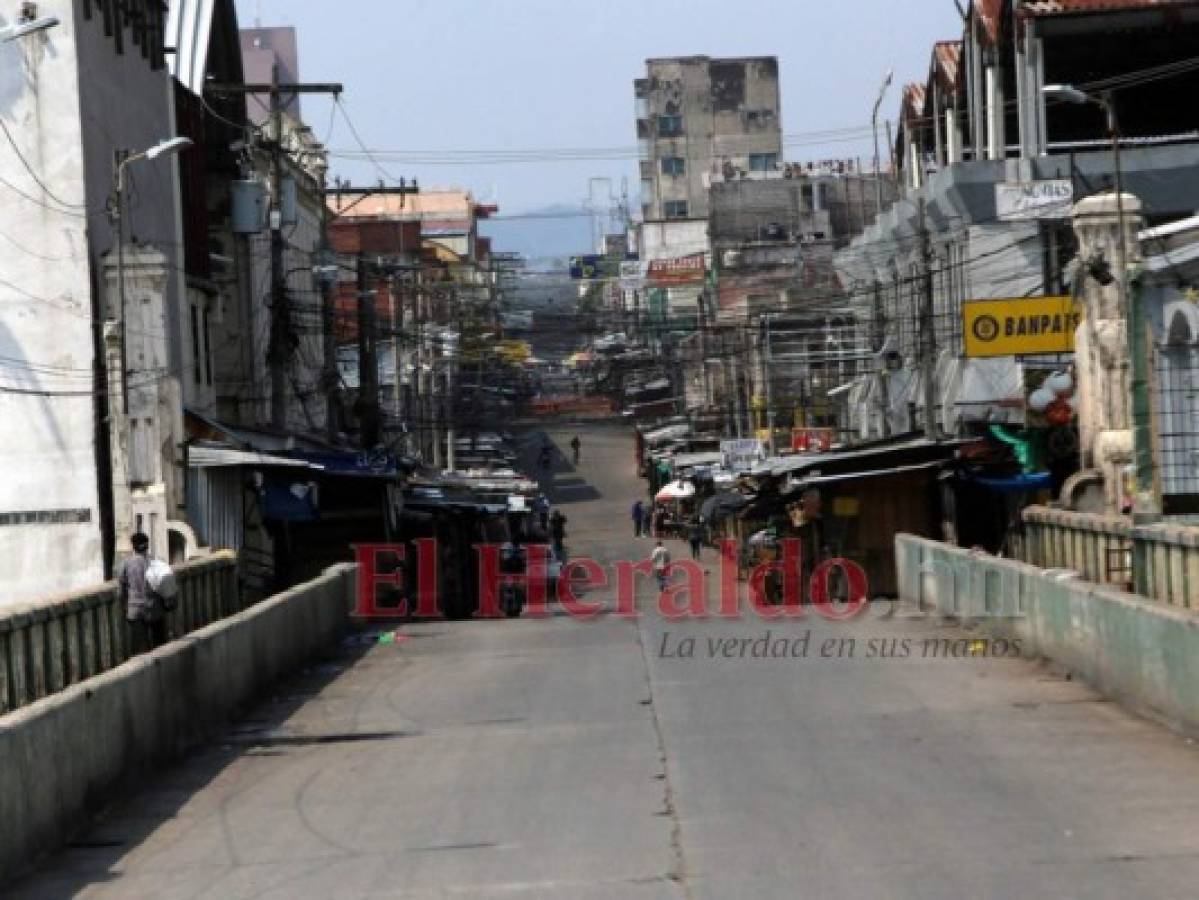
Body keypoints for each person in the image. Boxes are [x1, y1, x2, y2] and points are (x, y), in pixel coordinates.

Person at [120, 532, 167, 655]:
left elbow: (122, 586)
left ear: (133, 546)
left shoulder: (127, 563)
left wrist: (124, 607)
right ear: (147, 545)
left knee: (140, 648)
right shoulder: (156, 562)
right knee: (160, 646)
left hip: (136, 609)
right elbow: (163, 586)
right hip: (154, 608)